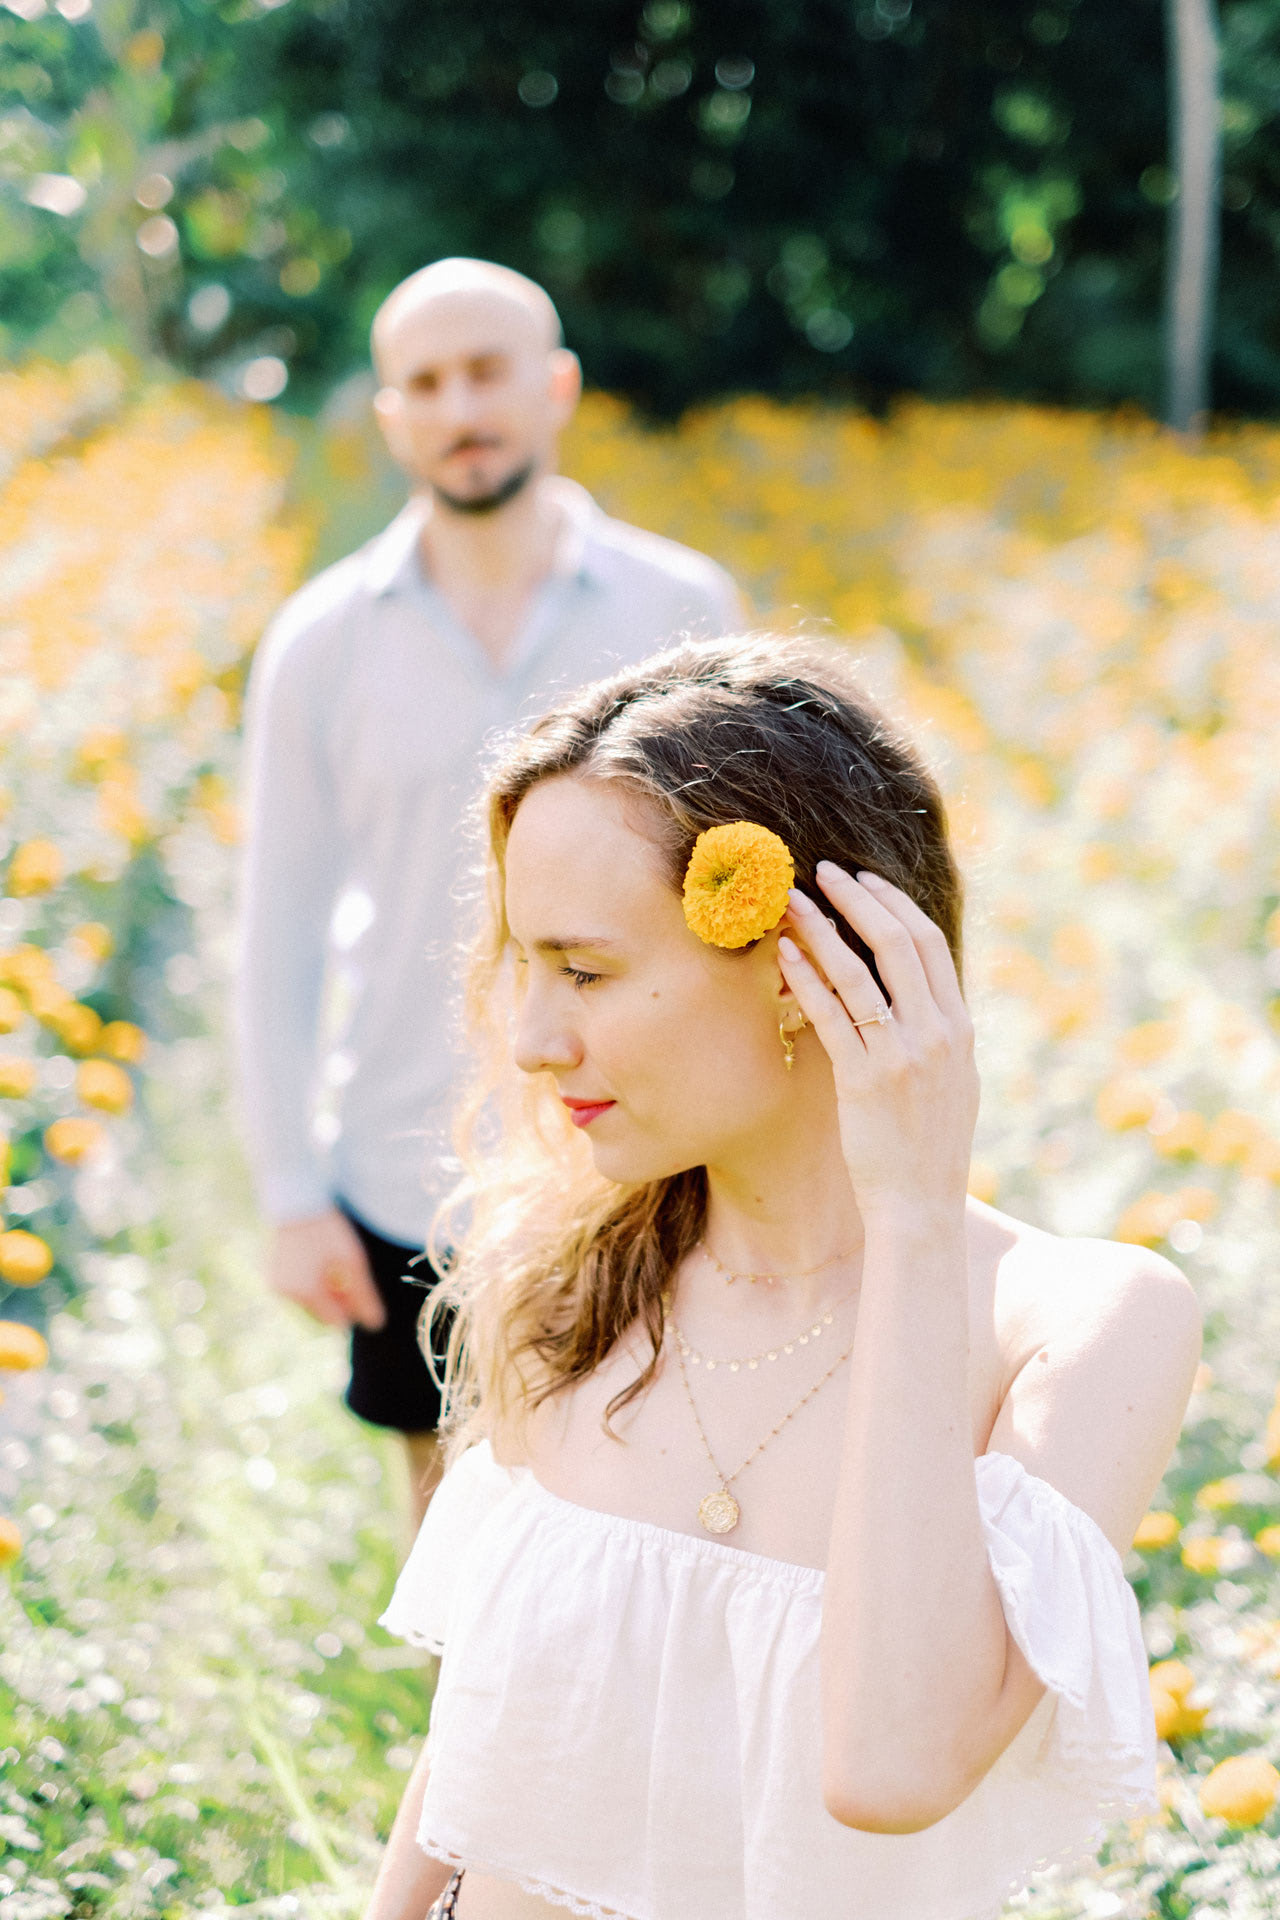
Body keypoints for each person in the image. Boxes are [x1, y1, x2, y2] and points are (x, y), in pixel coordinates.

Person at [364, 635, 1200, 1920]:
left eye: (583, 971)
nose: (531, 1038)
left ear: (806, 965)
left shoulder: (1080, 1328)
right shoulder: (565, 1288)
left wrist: (913, 1217)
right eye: (523, 966)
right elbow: (483, 1754)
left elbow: (890, 1766)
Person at [235, 259, 741, 1527]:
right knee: (453, 1534)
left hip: (643, 1151)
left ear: (557, 386)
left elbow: (738, 899)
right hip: (411, 1163)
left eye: (487, 371)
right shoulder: (322, 639)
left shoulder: (681, 610)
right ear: (391, 417)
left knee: (655, 1521)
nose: (459, 407)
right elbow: (278, 930)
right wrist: (293, 1192)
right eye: (423, 382)